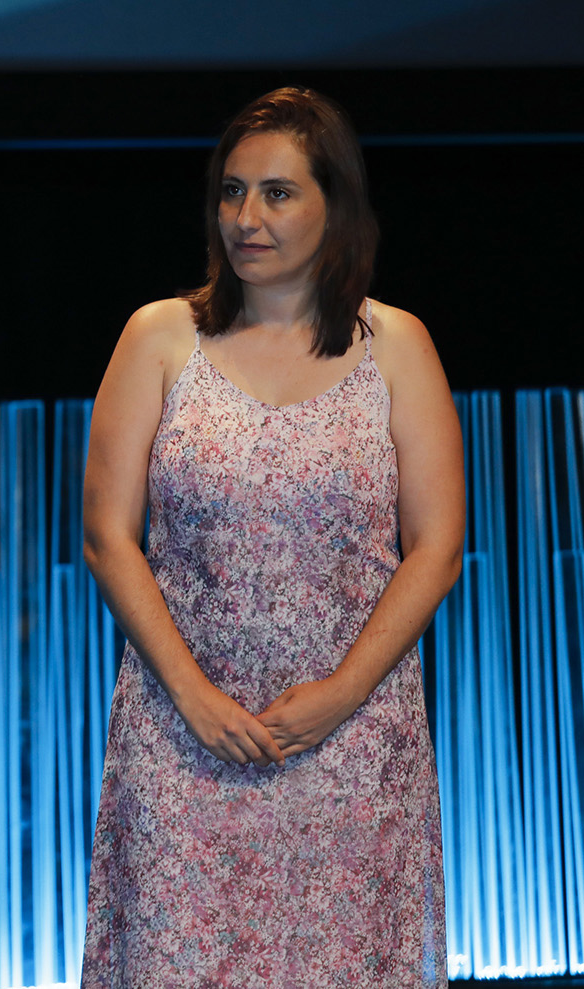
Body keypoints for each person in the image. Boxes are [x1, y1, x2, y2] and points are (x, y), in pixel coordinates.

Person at [78, 87, 460, 985]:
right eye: (232, 191)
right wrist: (195, 696)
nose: (246, 217)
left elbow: (436, 546)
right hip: (182, 740)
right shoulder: (160, 335)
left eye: (278, 193)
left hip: (356, 745)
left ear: (337, 203)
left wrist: (338, 694)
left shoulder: (396, 344)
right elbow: (106, 535)